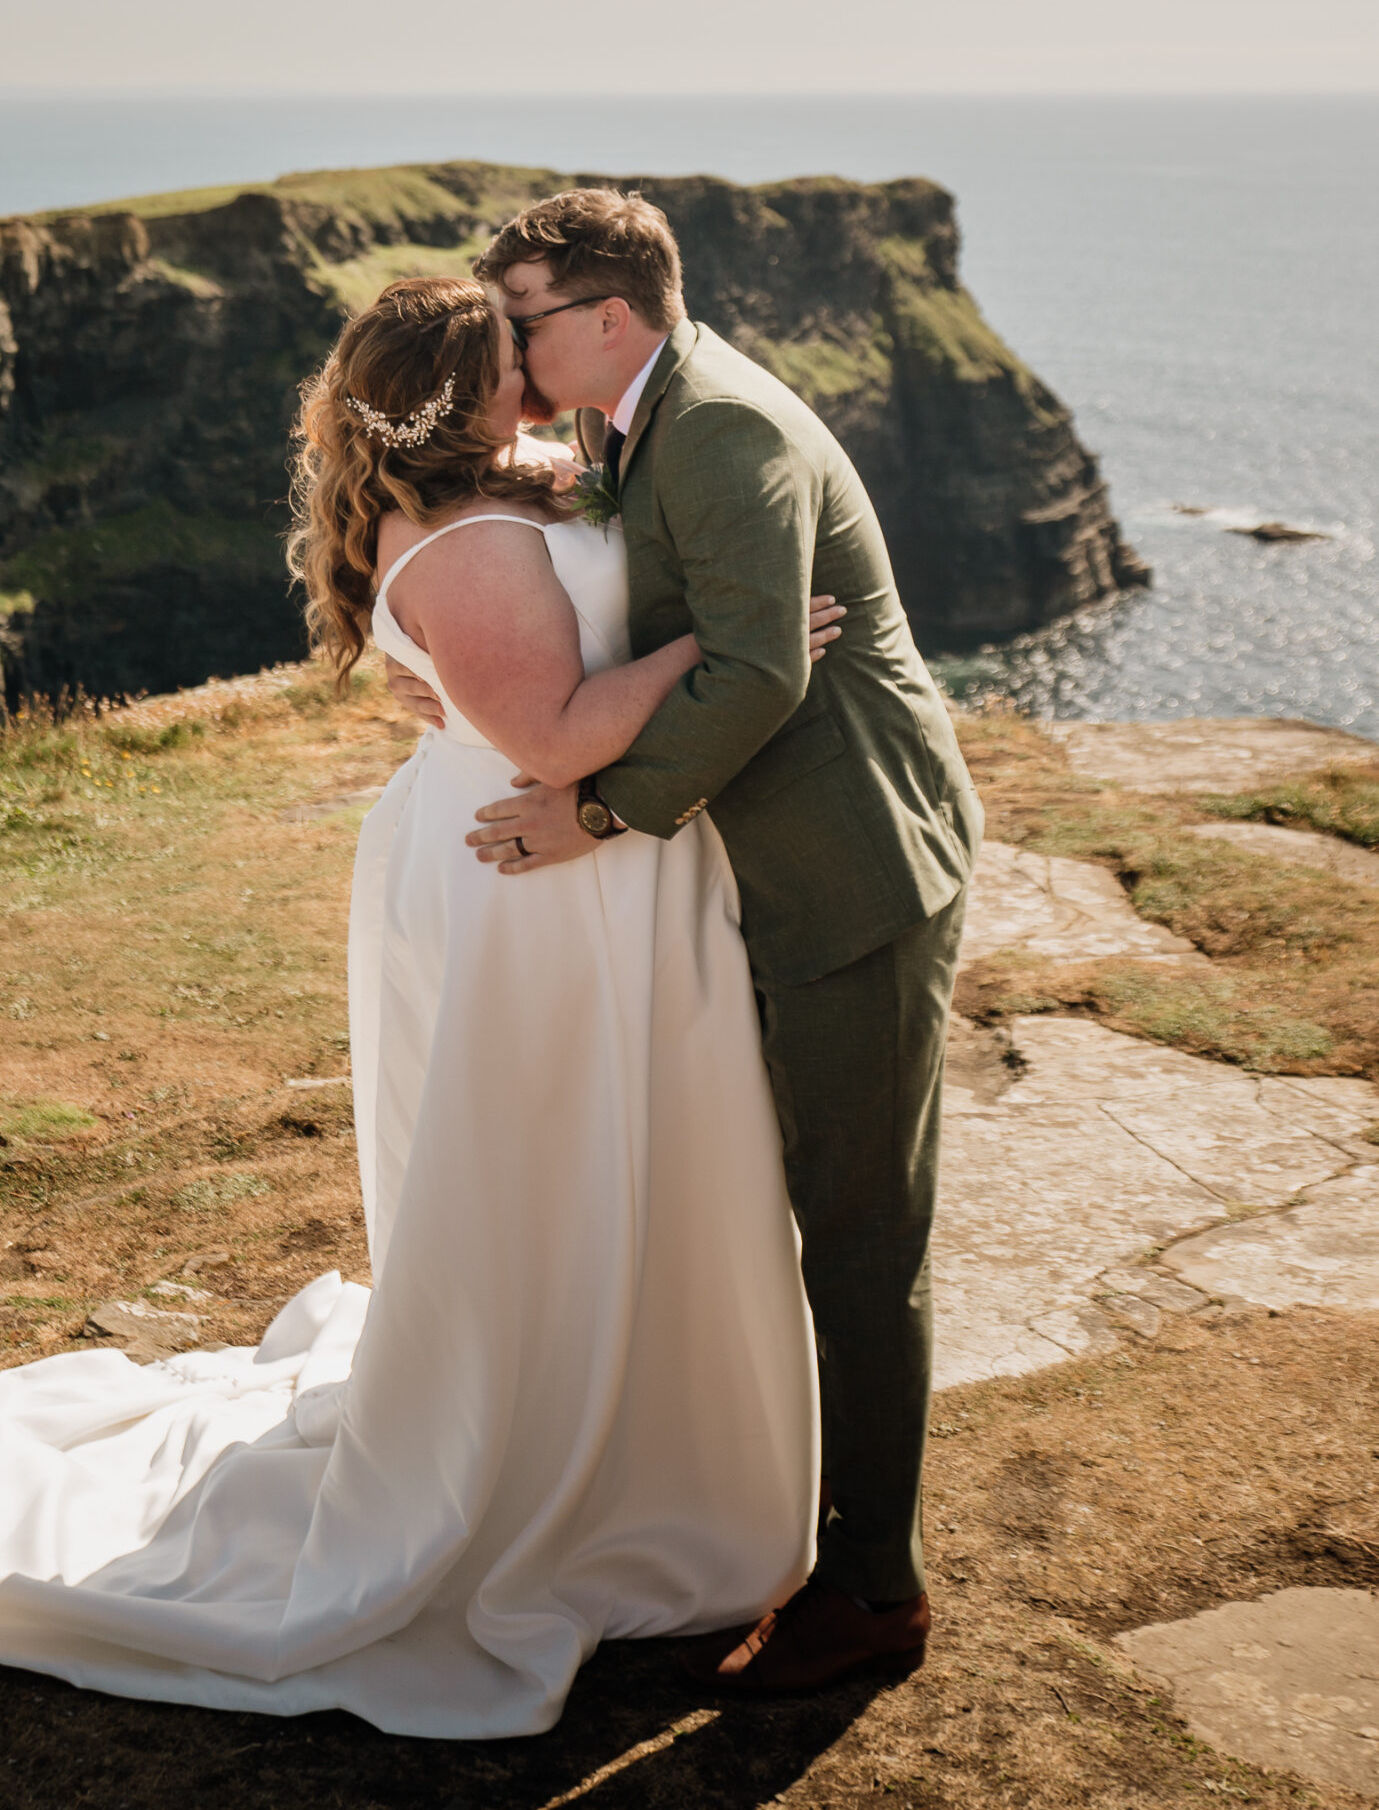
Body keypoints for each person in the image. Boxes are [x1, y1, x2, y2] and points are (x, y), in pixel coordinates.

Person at [0, 275, 827, 1740]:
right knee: (550, 1170)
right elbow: (554, 731)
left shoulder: (506, 489)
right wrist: (731, 652)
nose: (543, 369)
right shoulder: (472, 541)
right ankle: (563, 1471)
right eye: (517, 355)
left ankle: (650, 1440)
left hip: (574, 868)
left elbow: (512, 638)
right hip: (533, 889)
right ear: (471, 392)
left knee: (629, 1157)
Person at [388, 189, 983, 1696]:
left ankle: (874, 1591)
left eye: (520, 316)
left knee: (860, 1236)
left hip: (852, 873)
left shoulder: (714, 428)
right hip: (758, 870)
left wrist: (596, 818)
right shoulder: (627, 419)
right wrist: (439, 677)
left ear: (607, 320)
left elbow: (763, 669)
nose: (500, 342)